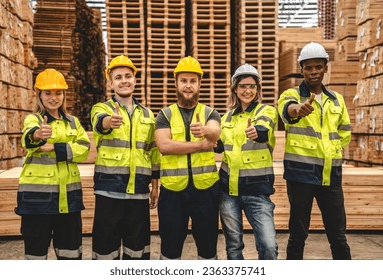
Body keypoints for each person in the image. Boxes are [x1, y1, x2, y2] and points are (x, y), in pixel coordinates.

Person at [277, 42, 352, 260]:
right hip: (300, 176)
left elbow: (345, 131)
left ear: (325, 68)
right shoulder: (291, 94)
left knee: (338, 234)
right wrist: (297, 110)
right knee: (298, 234)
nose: (313, 72)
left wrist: (333, 151)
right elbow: (287, 111)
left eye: (318, 67)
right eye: (308, 68)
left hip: (331, 175)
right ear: (301, 69)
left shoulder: (336, 99)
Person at [16, 69, 90, 260]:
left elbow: (83, 149)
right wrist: (38, 135)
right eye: (47, 93)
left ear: (64, 95)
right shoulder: (33, 120)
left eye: (58, 92)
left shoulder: (73, 122)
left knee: (71, 255)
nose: (53, 98)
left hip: (69, 202)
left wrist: (53, 148)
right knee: (36, 256)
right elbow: (28, 138)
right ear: (39, 94)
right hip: (36, 202)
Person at [90, 55, 160, 260]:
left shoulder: (148, 115)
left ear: (135, 80)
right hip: (109, 192)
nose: (124, 80)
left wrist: (155, 186)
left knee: (137, 251)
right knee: (106, 250)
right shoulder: (101, 109)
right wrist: (108, 122)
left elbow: (153, 151)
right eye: (118, 77)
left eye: (128, 76)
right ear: (110, 83)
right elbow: (98, 123)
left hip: (138, 192)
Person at [155, 56, 221, 260]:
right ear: (176, 83)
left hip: (206, 190)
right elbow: (165, 146)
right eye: (184, 80)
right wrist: (200, 145)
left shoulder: (210, 113)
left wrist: (206, 131)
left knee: (208, 247)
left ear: (199, 83)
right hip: (173, 191)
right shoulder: (164, 115)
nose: (188, 86)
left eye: (193, 81)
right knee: (170, 248)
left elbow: (215, 133)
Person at [215, 64, 278, 260]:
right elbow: (218, 147)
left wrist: (256, 132)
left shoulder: (266, 111)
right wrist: (204, 135)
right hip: (228, 193)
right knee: (233, 246)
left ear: (258, 89)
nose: (247, 90)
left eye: (252, 86)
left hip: (258, 192)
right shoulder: (225, 118)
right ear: (235, 88)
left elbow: (263, 130)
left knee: (268, 245)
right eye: (243, 86)